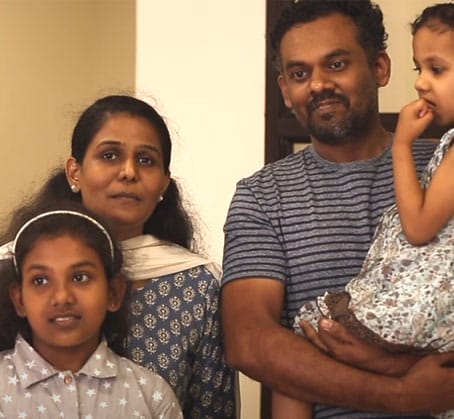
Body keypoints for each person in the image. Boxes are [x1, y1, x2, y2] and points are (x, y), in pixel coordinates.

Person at [221, 0, 454, 418]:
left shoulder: (440, 166)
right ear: (284, 90)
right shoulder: (262, 197)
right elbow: (249, 342)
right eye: (299, 74)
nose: (318, 84)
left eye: (336, 64)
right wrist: (400, 393)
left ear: (380, 68)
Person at [2, 95, 237, 418]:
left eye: (146, 160)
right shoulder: (11, 267)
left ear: (164, 183)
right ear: (74, 172)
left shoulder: (199, 284)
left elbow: (213, 408)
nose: (128, 172)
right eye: (110, 155)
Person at [0, 203, 182, 418]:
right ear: (19, 300)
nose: (62, 297)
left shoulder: (151, 396)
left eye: (80, 277)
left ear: (113, 293)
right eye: (40, 280)